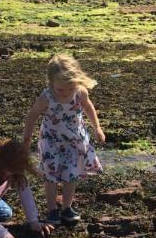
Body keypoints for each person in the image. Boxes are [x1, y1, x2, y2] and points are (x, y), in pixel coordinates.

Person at [23, 53, 105, 225]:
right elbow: (32, 117)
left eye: (70, 88)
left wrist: (97, 128)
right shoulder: (47, 97)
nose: (66, 93)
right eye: (60, 89)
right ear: (50, 82)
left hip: (74, 140)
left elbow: (90, 109)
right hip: (51, 140)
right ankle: (52, 209)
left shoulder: (80, 92)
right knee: (51, 176)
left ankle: (67, 207)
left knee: (71, 175)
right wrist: (26, 140)